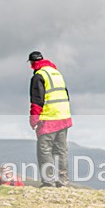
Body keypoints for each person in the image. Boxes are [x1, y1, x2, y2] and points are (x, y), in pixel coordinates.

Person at [28, 50, 72, 187]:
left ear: (32, 63)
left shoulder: (38, 76)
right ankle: (63, 181)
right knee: (61, 150)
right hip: (64, 116)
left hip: (49, 118)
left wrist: (34, 120)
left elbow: (37, 101)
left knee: (45, 150)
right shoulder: (56, 73)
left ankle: (48, 182)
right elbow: (66, 94)